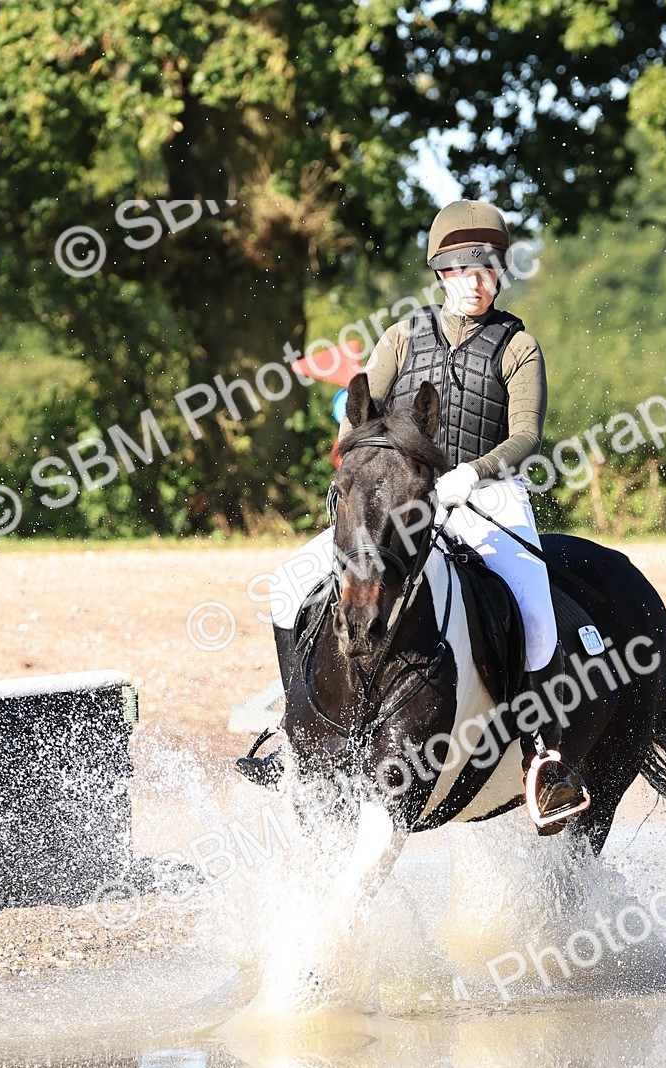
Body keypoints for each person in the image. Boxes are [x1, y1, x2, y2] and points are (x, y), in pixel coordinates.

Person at [236, 199, 589, 830]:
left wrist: (470, 474)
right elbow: (362, 404)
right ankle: (298, 724)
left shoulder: (519, 345)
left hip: (487, 494)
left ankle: (544, 761)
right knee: (291, 583)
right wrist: (364, 445)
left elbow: (526, 435)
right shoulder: (402, 335)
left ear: (499, 272)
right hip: (398, 495)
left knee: (535, 612)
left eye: (487, 268)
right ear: (443, 275)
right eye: (462, 269)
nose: (476, 281)